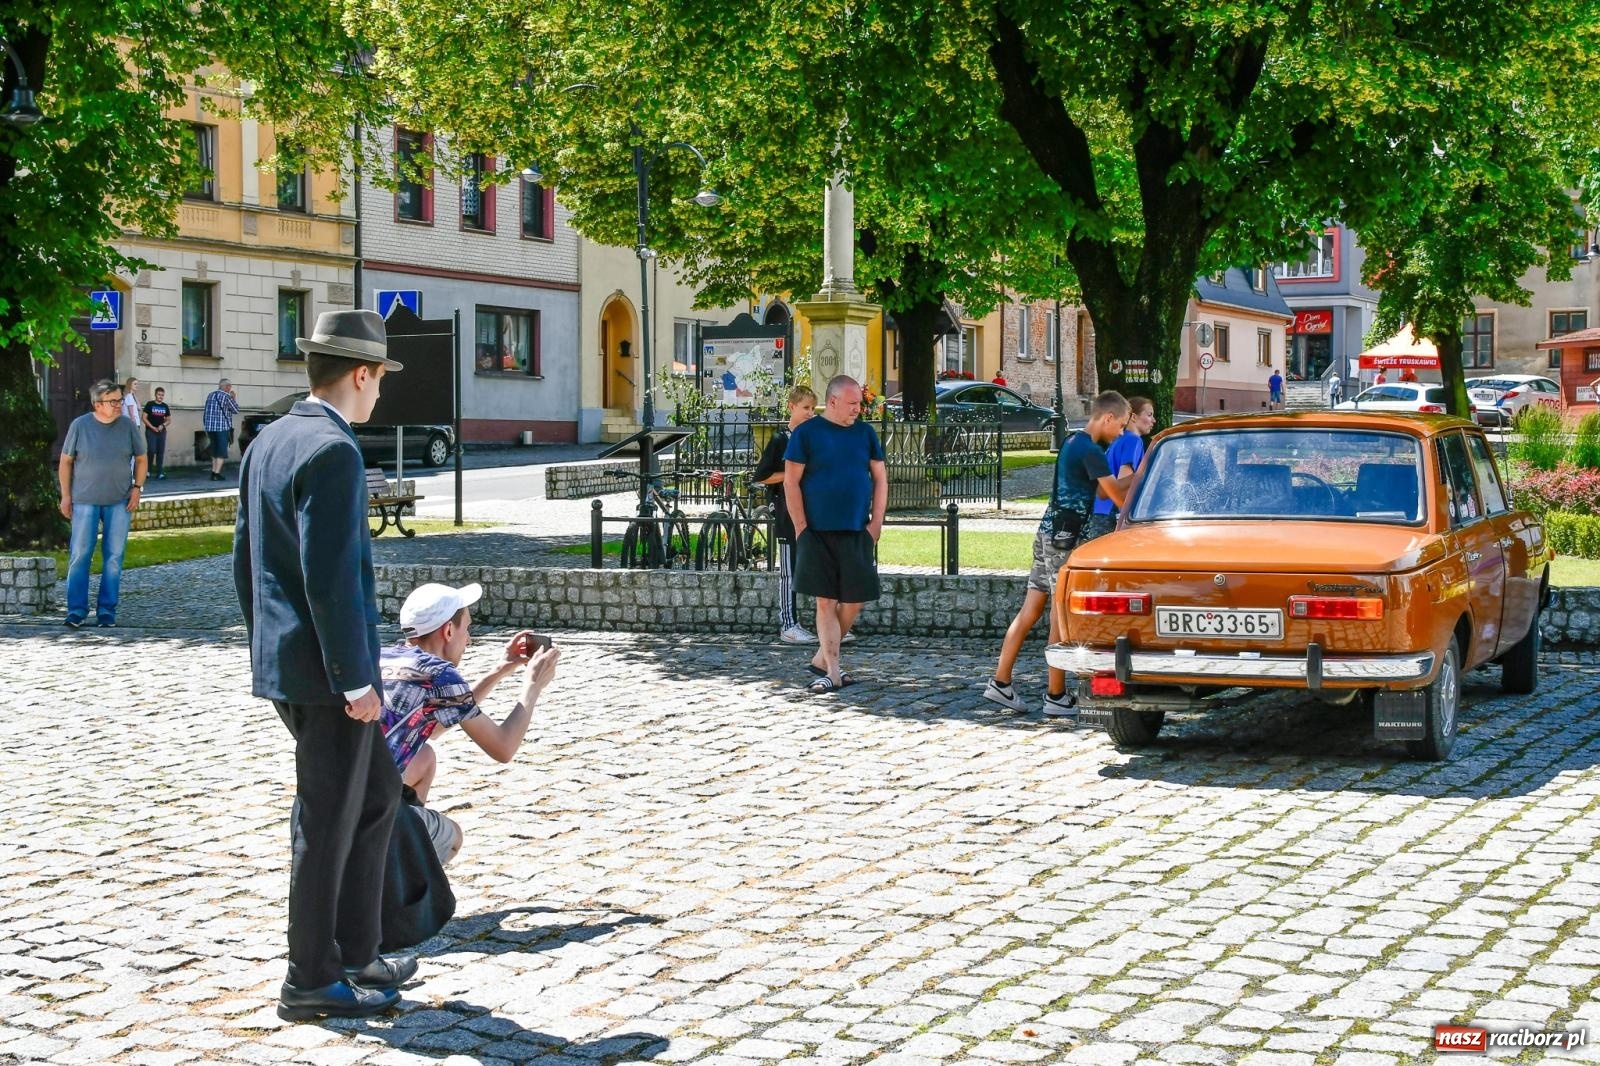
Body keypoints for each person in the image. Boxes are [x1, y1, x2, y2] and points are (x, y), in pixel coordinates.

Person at [232, 309, 413, 1023]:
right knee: (327, 817)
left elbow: (245, 564)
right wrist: (356, 682)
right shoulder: (333, 451)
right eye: (380, 381)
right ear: (361, 374)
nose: (380, 396)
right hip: (330, 675)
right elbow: (329, 575)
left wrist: (267, 646)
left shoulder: (271, 439)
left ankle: (356, 949)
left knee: (376, 794)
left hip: (291, 662)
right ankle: (310, 978)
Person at [380, 582, 562, 862]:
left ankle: (399, 844)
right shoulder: (440, 675)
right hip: (371, 805)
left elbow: (438, 728)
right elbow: (503, 748)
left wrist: (499, 670)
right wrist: (532, 686)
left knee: (424, 755)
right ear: (448, 631)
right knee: (452, 838)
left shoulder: (384, 656)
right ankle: (403, 872)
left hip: (346, 791)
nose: (469, 640)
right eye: (467, 629)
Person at [983, 391, 1132, 718]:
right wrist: (1145, 468)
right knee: (1059, 613)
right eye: (1120, 426)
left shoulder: (1071, 442)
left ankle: (1001, 682)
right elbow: (1119, 499)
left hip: (1047, 532)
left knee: (1031, 609)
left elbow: (1093, 489)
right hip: (1064, 539)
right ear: (1107, 418)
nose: (1121, 433)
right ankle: (1056, 694)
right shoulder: (1091, 451)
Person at [784, 374, 888, 694]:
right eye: (853, 404)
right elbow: (791, 482)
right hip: (816, 531)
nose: (859, 409)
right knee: (825, 602)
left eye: (860, 403)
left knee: (855, 599)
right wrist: (800, 526)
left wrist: (876, 523)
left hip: (857, 529)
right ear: (832, 402)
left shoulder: (865, 433)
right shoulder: (807, 434)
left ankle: (821, 657)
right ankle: (832, 669)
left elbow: (881, 479)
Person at [58, 379, 147, 628]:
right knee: (79, 556)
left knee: (114, 558)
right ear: (98, 404)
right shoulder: (80, 426)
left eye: (120, 399)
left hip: (119, 501)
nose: (119, 405)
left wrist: (137, 488)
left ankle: (106, 611)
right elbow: (66, 462)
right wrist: (66, 496)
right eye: (113, 401)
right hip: (84, 501)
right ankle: (76, 610)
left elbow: (141, 458)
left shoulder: (128, 427)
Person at [753, 385, 817, 644]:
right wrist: (792, 476)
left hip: (812, 511)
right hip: (786, 512)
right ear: (792, 407)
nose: (810, 413)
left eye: (813, 409)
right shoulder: (781, 440)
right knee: (789, 570)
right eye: (805, 408)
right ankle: (788, 624)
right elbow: (763, 476)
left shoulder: (812, 439)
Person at [1092, 395, 1154, 522]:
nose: (1154, 420)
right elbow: (1124, 480)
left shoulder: (1120, 440)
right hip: (1112, 512)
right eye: (1149, 415)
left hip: (1100, 509)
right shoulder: (1133, 440)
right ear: (1134, 417)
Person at [203, 378, 240, 481]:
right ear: (226, 387)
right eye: (230, 386)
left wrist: (206, 426)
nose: (230, 388)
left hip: (210, 428)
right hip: (221, 428)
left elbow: (205, 411)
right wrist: (234, 398)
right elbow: (236, 410)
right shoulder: (226, 396)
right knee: (221, 451)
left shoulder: (210, 395)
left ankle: (213, 471)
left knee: (214, 451)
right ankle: (217, 473)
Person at [142, 386, 171, 480]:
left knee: (160, 452)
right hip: (151, 431)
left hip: (161, 432)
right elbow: (144, 418)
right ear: (155, 395)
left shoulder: (165, 406)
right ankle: (147, 471)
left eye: (162, 395)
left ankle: (159, 472)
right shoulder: (149, 404)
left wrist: (163, 425)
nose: (161, 396)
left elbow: (169, 420)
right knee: (151, 450)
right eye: (159, 394)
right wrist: (152, 427)